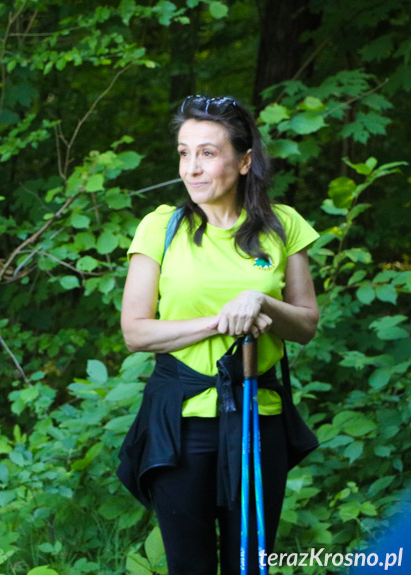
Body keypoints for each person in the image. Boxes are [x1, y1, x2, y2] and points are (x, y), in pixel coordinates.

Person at [116, 95, 320, 574]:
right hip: (181, 424)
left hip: (257, 418)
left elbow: (307, 324)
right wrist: (222, 320)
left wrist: (263, 302)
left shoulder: (282, 225)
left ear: (244, 160)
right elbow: (135, 332)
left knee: (249, 565)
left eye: (207, 153)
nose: (192, 167)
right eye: (185, 153)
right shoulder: (161, 227)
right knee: (190, 566)